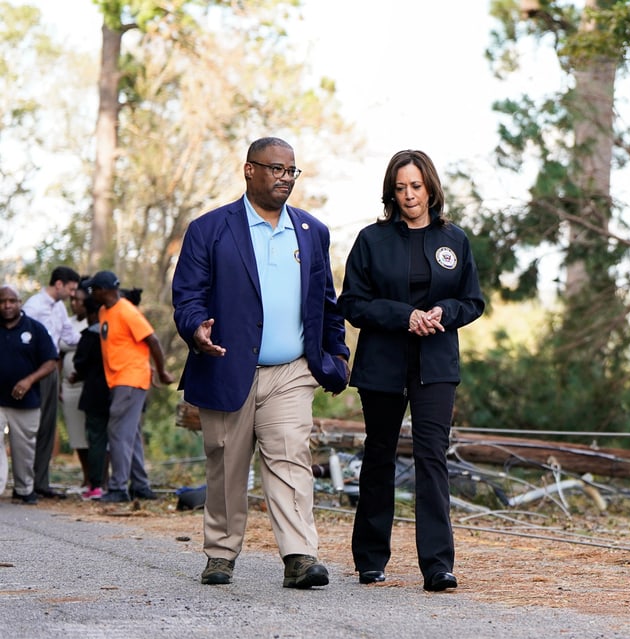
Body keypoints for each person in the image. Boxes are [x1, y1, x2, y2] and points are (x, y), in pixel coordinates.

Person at [172, 136, 350, 589]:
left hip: (290, 370)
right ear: (249, 170)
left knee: (291, 458)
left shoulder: (311, 232)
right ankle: (220, 554)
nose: (285, 178)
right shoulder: (209, 229)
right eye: (276, 169)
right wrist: (196, 329)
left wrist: (336, 356)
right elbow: (188, 296)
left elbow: (326, 303)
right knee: (227, 463)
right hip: (226, 366)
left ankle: (299, 556)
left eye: (291, 171)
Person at [338, 149, 485, 591]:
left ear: (431, 188)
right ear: (391, 191)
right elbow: (353, 304)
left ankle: (438, 565)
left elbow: (472, 301)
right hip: (382, 364)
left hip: (436, 364)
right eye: (400, 188)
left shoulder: (454, 240)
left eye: (416, 187)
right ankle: (370, 558)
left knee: (432, 458)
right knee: (379, 455)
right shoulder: (371, 240)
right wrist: (403, 315)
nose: (409, 195)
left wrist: (442, 311)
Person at [83, 270, 176, 503]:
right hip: (119, 380)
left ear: (104, 290)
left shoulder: (127, 311)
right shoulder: (105, 311)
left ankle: (118, 488)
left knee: (117, 433)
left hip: (130, 379)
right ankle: (141, 486)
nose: (91, 293)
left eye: (93, 289)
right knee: (130, 435)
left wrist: (162, 370)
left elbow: (152, 340)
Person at [22, 265, 83, 498]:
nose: (72, 294)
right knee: (30, 426)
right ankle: (24, 483)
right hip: (33, 370)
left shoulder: (59, 308)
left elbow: (69, 336)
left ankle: (41, 482)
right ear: (58, 284)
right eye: (71, 288)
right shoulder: (32, 306)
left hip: (51, 370)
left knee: (47, 426)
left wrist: (95, 340)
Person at [0, 285, 59, 505]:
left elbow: (51, 362)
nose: (7, 305)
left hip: (25, 401)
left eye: (11, 301)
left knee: (23, 450)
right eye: (2, 301)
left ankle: (24, 489)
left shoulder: (35, 329)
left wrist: (29, 380)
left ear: (19, 302)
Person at [71, 295, 111, 500]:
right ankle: (114, 483)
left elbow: (80, 363)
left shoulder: (89, 336)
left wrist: (77, 374)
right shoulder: (114, 331)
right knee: (118, 439)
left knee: (96, 439)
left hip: (95, 393)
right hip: (118, 392)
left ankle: (96, 484)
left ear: (91, 313)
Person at [60, 283, 91, 491]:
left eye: (78, 300)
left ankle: (95, 478)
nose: (74, 303)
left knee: (90, 432)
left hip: (85, 385)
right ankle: (85, 476)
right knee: (75, 433)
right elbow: (59, 354)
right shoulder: (67, 322)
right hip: (67, 387)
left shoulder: (93, 322)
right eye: (72, 300)